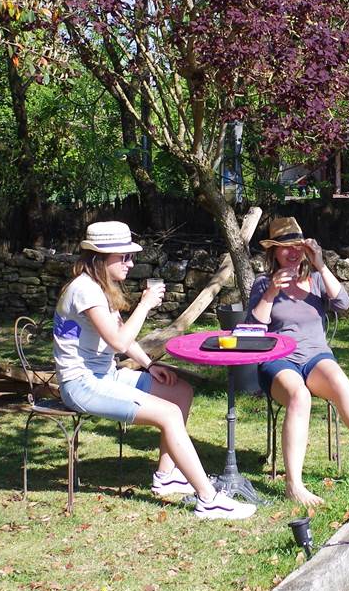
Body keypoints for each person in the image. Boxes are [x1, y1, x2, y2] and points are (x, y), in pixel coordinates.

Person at [54, 220, 253, 520]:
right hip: (82, 384)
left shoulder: (98, 287)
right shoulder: (85, 291)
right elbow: (119, 342)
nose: (131, 263)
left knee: (181, 392)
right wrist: (145, 305)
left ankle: (167, 476)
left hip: (104, 376)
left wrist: (150, 365)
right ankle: (209, 500)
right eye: (124, 257)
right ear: (100, 257)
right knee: (169, 414)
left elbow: (121, 334)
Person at [245, 215, 349, 506]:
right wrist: (271, 292)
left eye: (297, 245)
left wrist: (320, 264)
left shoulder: (318, 278)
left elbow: (344, 305)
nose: (292, 252)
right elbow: (252, 330)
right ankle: (294, 484)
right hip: (278, 360)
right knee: (299, 395)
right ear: (273, 252)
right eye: (284, 247)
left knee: (341, 383)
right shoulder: (262, 283)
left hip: (316, 357)